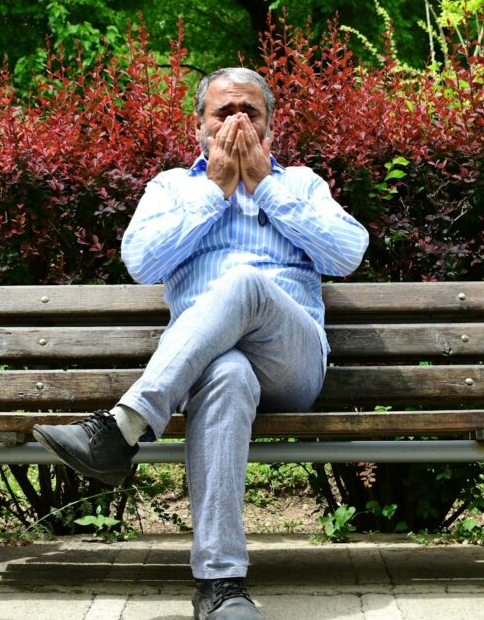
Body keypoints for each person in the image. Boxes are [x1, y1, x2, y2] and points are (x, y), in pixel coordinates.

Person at [33, 67, 368, 619]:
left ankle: (123, 427)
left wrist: (266, 188)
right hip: (207, 367)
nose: (237, 121)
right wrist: (215, 191)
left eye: (250, 113)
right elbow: (142, 263)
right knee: (228, 373)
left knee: (243, 283)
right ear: (200, 128)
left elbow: (347, 254)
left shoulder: (302, 183)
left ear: (270, 128)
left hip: (292, 361)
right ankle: (222, 586)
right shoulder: (172, 187)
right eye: (224, 112)